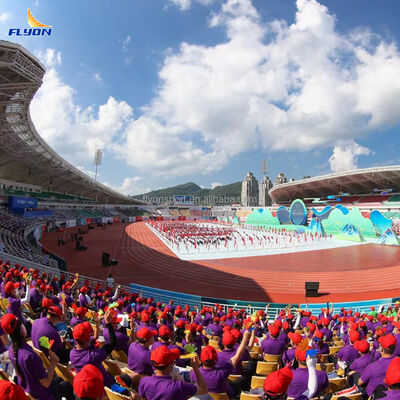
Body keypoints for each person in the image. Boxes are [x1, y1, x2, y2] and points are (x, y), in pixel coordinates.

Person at [1, 313, 74, 400]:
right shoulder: (29, 356)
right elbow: (46, 383)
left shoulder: (11, 351)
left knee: (59, 380)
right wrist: (53, 363)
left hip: (31, 390)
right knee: (67, 385)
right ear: (21, 329)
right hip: (44, 395)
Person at [138, 347, 208, 400]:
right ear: (171, 365)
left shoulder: (143, 381)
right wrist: (196, 368)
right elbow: (203, 389)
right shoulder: (179, 386)